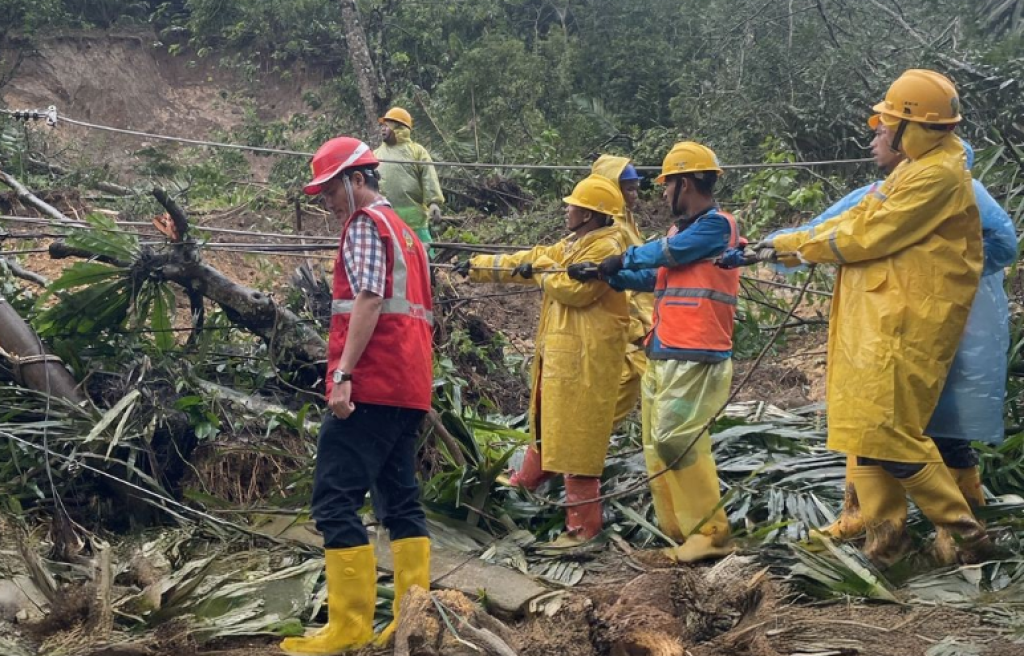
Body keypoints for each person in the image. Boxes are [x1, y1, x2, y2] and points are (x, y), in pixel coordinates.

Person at [756, 69, 995, 567]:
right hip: (880, 318)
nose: (879, 133)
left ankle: (967, 534)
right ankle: (887, 542)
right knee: (865, 430)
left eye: (887, 124)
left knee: (889, 434)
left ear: (915, 125)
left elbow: (866, 236)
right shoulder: (913, 168)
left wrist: (795, 246)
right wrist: (784, 246)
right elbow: (857, 217)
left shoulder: (937, 176)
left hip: (906, 323)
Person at [281, 136, 434, 655]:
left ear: (357, 180)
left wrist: (343, 374)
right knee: (400, 501)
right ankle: (410, 619)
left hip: (371, 382)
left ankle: (348, 628)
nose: (327, 203)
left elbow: (368, 300)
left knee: (334, 500)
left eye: (330, 190)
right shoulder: (407, 233)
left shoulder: (366, 226)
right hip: (408, 385)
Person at [571, 142, 742, 563]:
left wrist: (618, 258)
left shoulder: (717, 227)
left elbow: (663, 256)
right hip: (664, 349)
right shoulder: (676, 234)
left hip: (698, 351)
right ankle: (679, 531)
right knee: (655, 445)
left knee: (676, 440)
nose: (662, 194)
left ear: (685, 183)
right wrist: (605, 274)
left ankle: (712, 531)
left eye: (667, 185)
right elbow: (654, 277)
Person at [455, 175, 630, 545]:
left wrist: (542, 269)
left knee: (578, 438)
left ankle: (582, 530)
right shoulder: (573, 243)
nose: (566, 209)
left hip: (588, 357)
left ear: (591, 213)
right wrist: (476, 266)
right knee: (547, 418)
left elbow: (574, 290)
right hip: (562, 354)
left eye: (573, 205)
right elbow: (530, 261)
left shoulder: (607, 247)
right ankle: (531, 479)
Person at [591, 156, 654, 425]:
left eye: (635, 187)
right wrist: (638, 326)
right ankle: (587, 441)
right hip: (628, 319)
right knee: (625, 380)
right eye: (628, 188)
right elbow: (617, 279)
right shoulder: (612, 227)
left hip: (642, 315)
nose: (634, 194)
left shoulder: (627, 220)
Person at [374, 107, 445, 248]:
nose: (382, 129)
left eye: (387, 125)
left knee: (421, 255)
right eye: (382, 125)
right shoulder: (375, 154)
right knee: (394, 257)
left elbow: (428, 177)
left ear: (400, 128)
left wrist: (434, 202)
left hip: (415, 219)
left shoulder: (417, 151)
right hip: (387, 218)